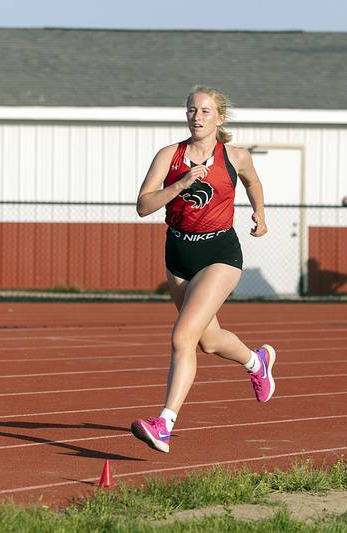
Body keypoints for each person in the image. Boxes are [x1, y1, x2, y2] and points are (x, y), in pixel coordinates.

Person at [130, 86, 273, 453]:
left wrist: (259, 210)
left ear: (219, 119)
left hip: (219, 254)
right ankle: (255, 361)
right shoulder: (169, 155)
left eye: (206, 111)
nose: (197, 116)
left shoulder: (235, 156)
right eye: (192, 109)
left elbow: (252, 181)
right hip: (178, 255)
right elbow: (144, 206)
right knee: (209, 341)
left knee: (182, 338)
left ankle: (164, 423)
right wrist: (180, 184)